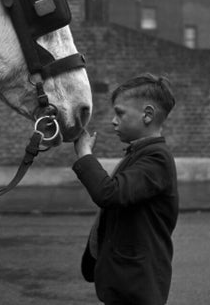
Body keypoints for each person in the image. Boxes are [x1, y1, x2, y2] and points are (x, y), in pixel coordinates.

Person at [72, 73, 179, 305]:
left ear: (147, 115)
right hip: (124, 283)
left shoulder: (157, 159)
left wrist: (85, 154)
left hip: (138, 287)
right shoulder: (140, 153)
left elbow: (109, 193)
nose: (113, 120)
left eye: (120, 113)